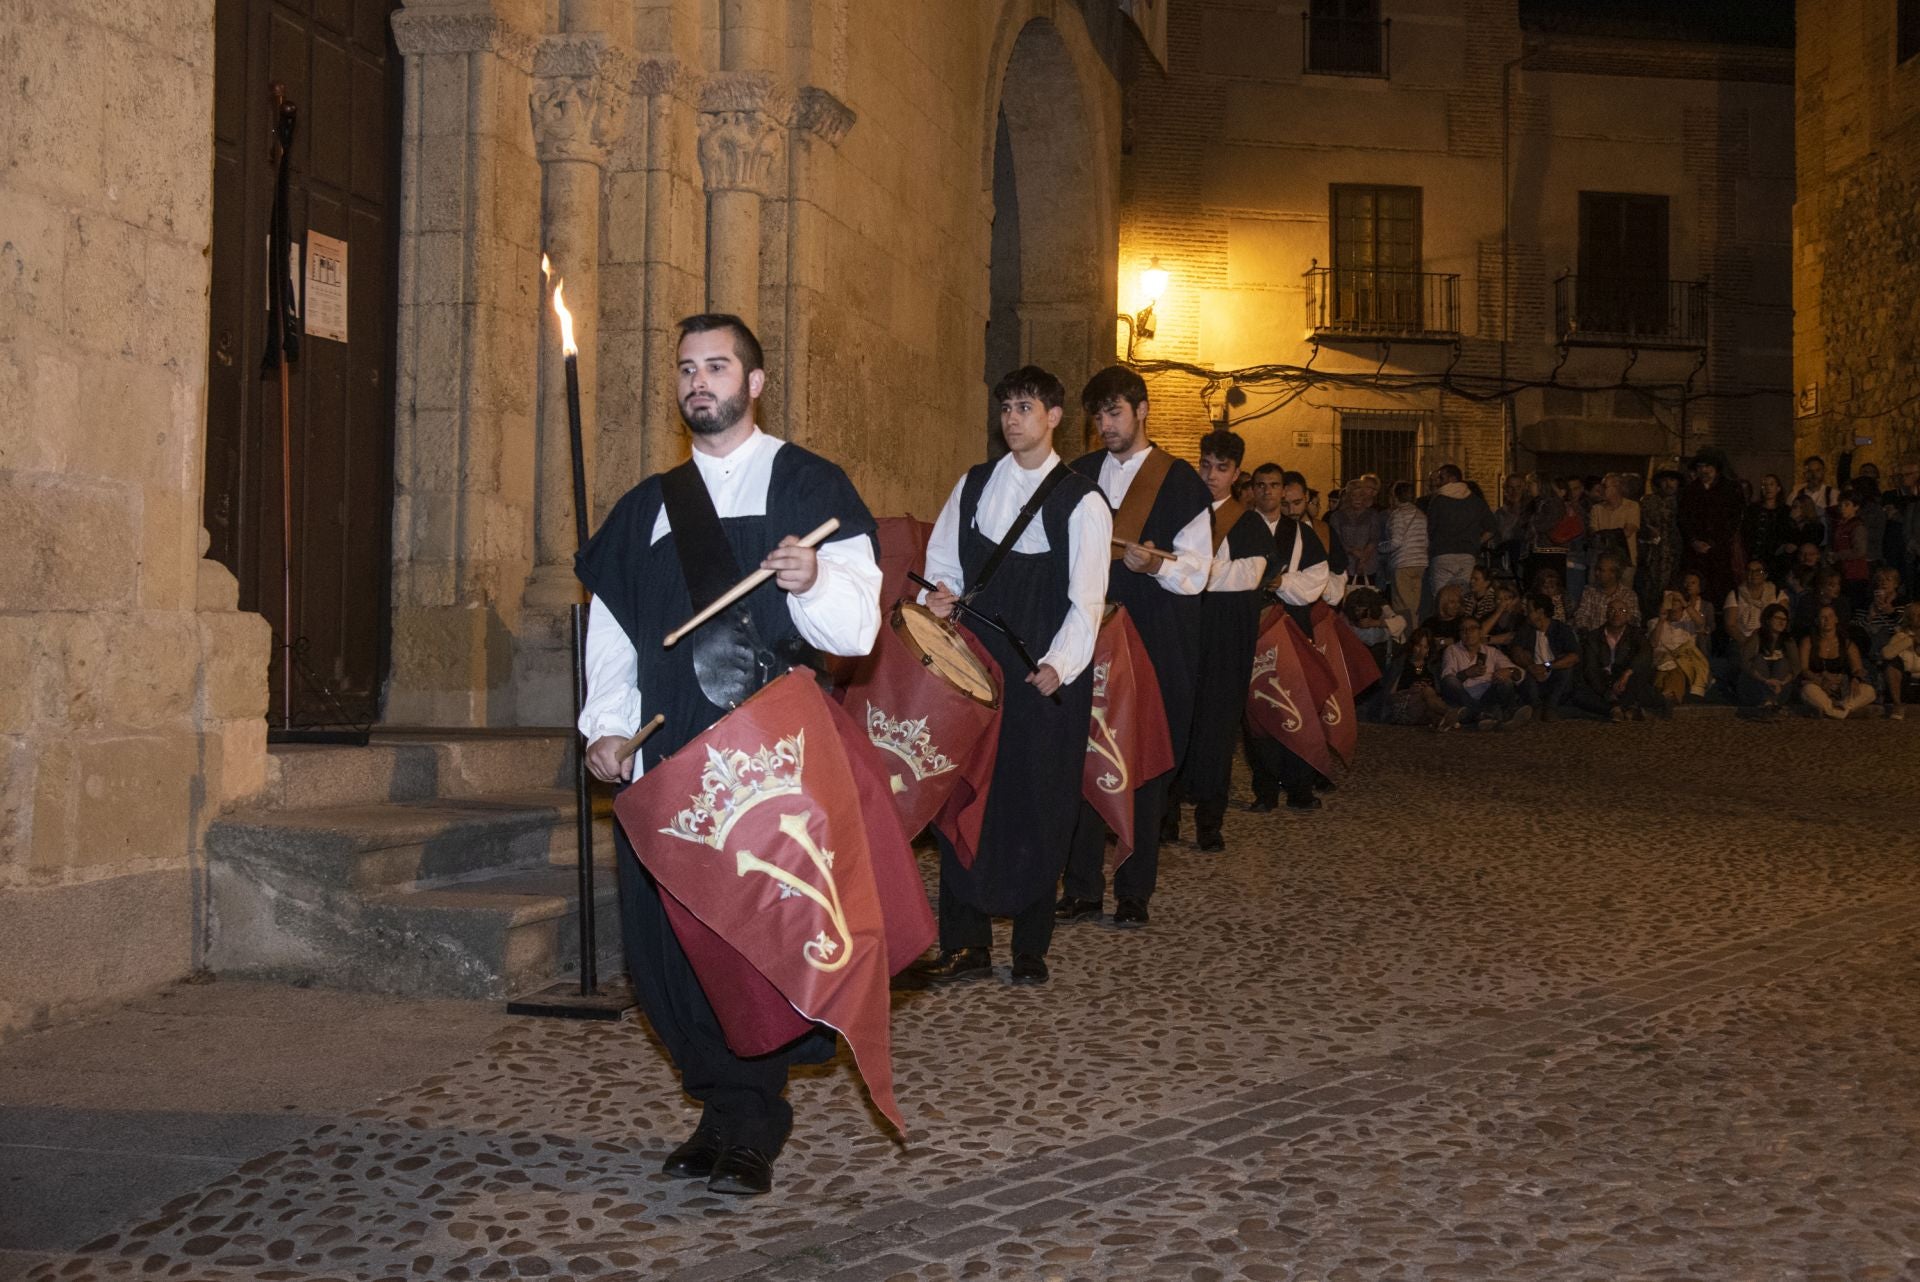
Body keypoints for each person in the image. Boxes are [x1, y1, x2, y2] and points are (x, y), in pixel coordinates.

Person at [575, 313, 883, 1197]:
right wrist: (606, 725)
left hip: (768, 755)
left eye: (717, 366)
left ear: (755, 382)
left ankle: (748, 1114)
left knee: (754, 940)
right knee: (665, 942)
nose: (697, 381)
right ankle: (721, 1098)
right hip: (668, 749)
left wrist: (814, 579)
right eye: (685, 368)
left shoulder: (808, 487)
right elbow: (615, 631)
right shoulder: (647, 505)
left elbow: (858, 626)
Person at [917, 366, 1109, 989]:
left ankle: (1031, 946)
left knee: (1038, 802)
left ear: (1054, 417)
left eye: (1025, 406)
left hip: (1042, 676)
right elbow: (942, 563)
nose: (1013, 418)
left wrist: (1060, 665)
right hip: (973, 668)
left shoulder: (1082, 500)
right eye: (1006, 407)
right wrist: (939, 599)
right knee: (964, 799)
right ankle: (965, 945)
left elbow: (1088, 600)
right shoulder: (973, 486)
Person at [1058, 366, 1211, 930]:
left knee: (1139, 762)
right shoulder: (1077, 475)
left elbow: (1198, 571)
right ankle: (1079, 885)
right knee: (1080, 751)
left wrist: (1156, 565)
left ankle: (1133, 888)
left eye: (1115, 412)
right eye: (1098, 415)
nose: (1105, 425)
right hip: (1088, 637)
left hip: (1151, 638)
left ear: (1142, 410)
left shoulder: (1181, 482)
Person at [1164, 430, 1274, 853]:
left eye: (1221, 468)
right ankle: (1166, 816)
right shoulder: (1182, 514)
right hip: (1183, 633)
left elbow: (1250, 574)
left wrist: (1192, 571)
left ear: (1237, 474)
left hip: (1225, 639)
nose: (1211, 475)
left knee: (1218, 727)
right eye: (1205, 465)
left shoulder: (1247, 523)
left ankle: (1210, 821)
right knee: (1176, 722)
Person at [1244, 470, 1335, 813]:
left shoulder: (1301, 534)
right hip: (1251, 631)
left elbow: (1317, 578)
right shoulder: (1240, 529)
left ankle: (1300, 787)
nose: (1267, 492)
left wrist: (1280, 581)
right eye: (1261, 486)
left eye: (1274, 485)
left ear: (1283, 491)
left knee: (1298, 706)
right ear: (1253, 490)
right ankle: (1265, 790)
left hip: (1291, 629)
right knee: (1257, 712)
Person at [1572, 597, 1665, 721]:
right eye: (1612, 610)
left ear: (1628, 615)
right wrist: (1606, 692)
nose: (1616, 614)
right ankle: (1619, 708)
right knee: (1579, 695)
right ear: (1606, 614)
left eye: (1622, 610)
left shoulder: (1636, 634)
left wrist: (1626, 674)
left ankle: (1620, 708)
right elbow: (1591, 669)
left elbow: (1645, 654)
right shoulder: (1594, 637)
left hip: (1626, 681)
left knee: (1642, 682)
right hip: (1603, 681)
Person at [1439, 615, 1527, 728]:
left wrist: (1509, 671)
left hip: (1487, 695)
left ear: (1480, 632)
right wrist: (1466, 673)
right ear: (1460, 634)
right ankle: (1490, 714)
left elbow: (1519, 673)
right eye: (1463, 630)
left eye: (1472, 628)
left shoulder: (1491, 652)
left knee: (1506, 682)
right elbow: (1447, 679)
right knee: (1450, 681)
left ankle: (1479, 714)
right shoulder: (1452, 650)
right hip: (1463, 695)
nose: (1468, 632)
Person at [1678, 452, 1743, 606]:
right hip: (1695, 552)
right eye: (1700, 467)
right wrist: (1694, 541)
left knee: (1720, 589)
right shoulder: (1689, 491)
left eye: (1708, 466)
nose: (1704, 470)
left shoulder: (1730, 488)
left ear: (1715, 468)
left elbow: (1734, 519)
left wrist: (1714, 543)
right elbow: (1683, 519)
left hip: (1720, 551)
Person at [1426, 462, 1494, 602]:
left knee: (1441, 598)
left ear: (1452, 479)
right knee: (1462, 599)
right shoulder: (1476, 501)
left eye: (1441, 478)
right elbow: (1491, 528)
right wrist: (1476, 542)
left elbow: (1430, 529)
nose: (1438, 482)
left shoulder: (1439, 500)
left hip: (1442, 554)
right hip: (1467, 556)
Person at [1798, 602, 1876, 719]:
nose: (1827, 620)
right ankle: (1843, 712)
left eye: (1830, 616)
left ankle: (1835, 709)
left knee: (1869, 691)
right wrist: (1821, 681)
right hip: (1819, 685)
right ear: (1817, 621)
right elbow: (1804, 669)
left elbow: (1858, 668)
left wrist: (1856, 679)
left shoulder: (1847, 643)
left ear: (1836, 619)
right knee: (1808, 690)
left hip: (1842, 687)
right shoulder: (1808, 641)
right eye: (1823, 617)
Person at [1375, 628, 1460, 730]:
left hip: (1425, 705)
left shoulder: (1431, 667)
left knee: (1428, 699)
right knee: (1426, 691)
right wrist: (1411, 691)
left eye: (1425, 647)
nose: (1421, 650)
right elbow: (1389, 695)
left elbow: (1437, 693)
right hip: (1404, 705)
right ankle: (1450, 713)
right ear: (1412, 646)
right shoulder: (1401, 664)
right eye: (1419, 646)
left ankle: (1440, 721)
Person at [1512, 591, 1579, 719]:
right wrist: (1531, 666)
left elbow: (1574, 656)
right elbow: (1516, 651)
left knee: (1566, 669)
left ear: (1540, 612)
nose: (1526, 613)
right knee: (1523, 668)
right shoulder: (1526, 628)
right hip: (1535, 675)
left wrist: (1546, 666)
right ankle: (1536, 705)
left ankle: (1551, 706)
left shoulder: (1561, 629)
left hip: (1553, 674)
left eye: (1530, 610)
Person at [1736, 603, 1801, 719]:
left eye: (1784, 620)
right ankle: (1768, 703)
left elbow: (1795, 667)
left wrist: (1780, 682)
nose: (1781, 622)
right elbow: (1745, 663)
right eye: (1777, 618)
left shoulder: (1788, 641)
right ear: (1767, 620)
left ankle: (1769, 703)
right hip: (1757, 686)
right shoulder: (1756, 637)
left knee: (1783, 662)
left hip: (1780, 687)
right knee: (1759, 659)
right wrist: (1766, 681)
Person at [1636, 468, 1683, 619]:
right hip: (1652, 556)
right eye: (1664, 480)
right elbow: (1640, 526)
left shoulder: (1683, 502)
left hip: (1676, 555)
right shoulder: (1648, 501)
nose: (1668, 484)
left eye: (1672, 480)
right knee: (1649, 591)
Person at [1650, 590, 1710, 703]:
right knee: (1669, 670)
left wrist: (1684, 601)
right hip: (1662, 661)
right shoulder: (1655, 622)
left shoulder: (1688, 622)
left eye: (1676, 600)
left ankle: (1667, 695)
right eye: (1669, 599)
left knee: (1676, 669)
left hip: (1685, 662)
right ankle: (1671, 696)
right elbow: (1653, 643)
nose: (1673, 602)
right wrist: (1661, 620)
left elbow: (1701, 623)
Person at [1381, 479, 1428, 620]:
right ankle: (1416, 636)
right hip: (1420, 564)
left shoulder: (1398, 515)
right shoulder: (1421, 514)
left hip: (1403, 563)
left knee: (1402, 606)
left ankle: (1407, 638)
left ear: (1395, 496)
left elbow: (1396, 542)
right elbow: (1426, 540)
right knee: (1414, 605)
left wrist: (1381, 547)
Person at [1327, 475, 1384, 588]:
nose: (1358, 499)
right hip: (1345, 565)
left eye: (1361, 495)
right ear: (1348, 497)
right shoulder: (1337, 517)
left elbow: (1374, 538)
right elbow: (1336, 540)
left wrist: (1363, 559)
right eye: (1354, 495)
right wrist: (1353, 551)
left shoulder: (1373, 515)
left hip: (1369, 565)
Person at [1741, 473, 1797, 581]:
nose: (1768, 488)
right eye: (1764, 485)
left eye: (1771, 484)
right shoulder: (1753, 509)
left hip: (1776, 559)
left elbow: (1790, 533)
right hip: (1754, 556)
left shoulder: (1785, 511)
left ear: (1778, 488)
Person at [1588, 473, 1640, 588]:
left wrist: (1604, 534)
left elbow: (1628, 532)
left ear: (1617, 488)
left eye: (1604, 486)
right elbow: (1593, 533)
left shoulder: (1632, 507)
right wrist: (1616, 533)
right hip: (1601, 562)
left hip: (1624, 562)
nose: (1600, 490)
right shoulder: (1596, 509)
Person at [1724, 557, 1787, 650]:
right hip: (1743, 640)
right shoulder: (1735, 594)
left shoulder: (1777, 594)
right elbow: (1730, 625)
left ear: (1765, 575)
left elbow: (1783, 621)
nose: (1753, 574)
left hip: (1771, 641)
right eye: (1750, 571)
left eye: (1758, 571)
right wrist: (1748, 643)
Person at [1572, 552, 1640, 631]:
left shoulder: (1628, 595)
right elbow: (1581, 616)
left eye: (1601, 570)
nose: (1596, 573)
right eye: (1596, 569)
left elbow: (1635, 621)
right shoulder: (1589, 591)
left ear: (1613, 574)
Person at [1830, 492, 1872, 611]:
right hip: (1843, 572)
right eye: (1841, 505)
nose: (1842, 508)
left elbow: (1859, 551)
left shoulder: (1857, 526)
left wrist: (1837, 556)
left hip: (1855, 575)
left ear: (1856, 506)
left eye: (1847, 504)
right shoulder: (1840, 525)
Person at [1881, 600, 1920, 719]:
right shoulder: (1901, 637)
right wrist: (1912, 640)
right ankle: (1897, 705)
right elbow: (1886, 654)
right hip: (1905, 681)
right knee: (1891, 665)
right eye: (1916, 615)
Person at [1492, 474, 1533, 582]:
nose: (1514, 491)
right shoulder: (1500, 514)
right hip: (1506, 563)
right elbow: (1496, 539)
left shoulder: (1531, 511)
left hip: (1526, 561)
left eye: (1518, 487)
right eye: (1510, 487)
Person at [1788, 454, 1839, 528]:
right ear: (1805, 473)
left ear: (1823, 471)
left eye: (1817, 470)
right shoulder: (1795, 494)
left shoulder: (1833, 494)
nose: (1814, 474)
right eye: (1810, 471)